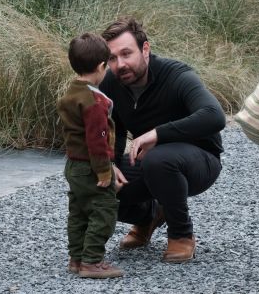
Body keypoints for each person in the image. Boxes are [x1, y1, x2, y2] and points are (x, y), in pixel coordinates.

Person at [99, 17, 226, 263]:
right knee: (92, 180)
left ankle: (181, 235)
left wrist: (158, 133)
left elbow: (215, 116)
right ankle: (148, 217)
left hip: (200, 161)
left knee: (159, 159)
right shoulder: (112, 83)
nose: (120, 64)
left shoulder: (176, 75)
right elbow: (110, 130)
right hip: (149, 163)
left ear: (145, 49)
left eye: (126, 53)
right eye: (112, 58)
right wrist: (109, 164)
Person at [56, 33, 123, 279]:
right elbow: (97, 140)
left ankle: (76, 258)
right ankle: (92, 261)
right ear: (101, 66)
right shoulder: (95, 102)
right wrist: (105, 170)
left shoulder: (71, 94)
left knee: (79, 211)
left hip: (73, 166)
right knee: (103, 210)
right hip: (90, 166)